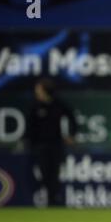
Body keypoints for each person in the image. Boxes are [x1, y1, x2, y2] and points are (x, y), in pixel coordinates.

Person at [27, 78, 77, 207]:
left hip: (56, 144)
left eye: (39, 89)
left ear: (45, 90)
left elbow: (72, 117)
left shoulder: (58, 104)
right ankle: (48, 199)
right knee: (43, 174)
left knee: (55, 174)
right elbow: (30, 127)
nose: (36, 92)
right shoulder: (35, 106)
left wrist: (71, 135)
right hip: (40, 146)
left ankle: (54, 201)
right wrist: (30, 144)